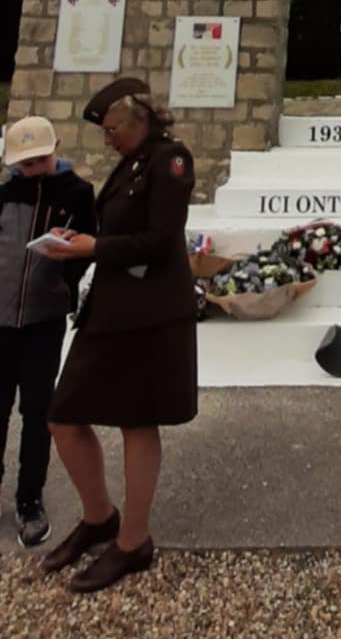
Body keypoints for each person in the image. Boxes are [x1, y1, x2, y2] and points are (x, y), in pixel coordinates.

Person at [42, 76, 197, 593]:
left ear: (140, 119)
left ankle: (133, 542)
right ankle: (99, 517)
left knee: (137, 421)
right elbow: (117, 229)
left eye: (113, 130)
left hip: (151, 313)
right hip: (110, 309)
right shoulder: (132, 163)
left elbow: (160, 241)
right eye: (104, 132)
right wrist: (82, 239)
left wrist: (92, 248)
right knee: (63, 416)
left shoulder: (170, 161)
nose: (107, 140)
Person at [0, 116, 95, 547]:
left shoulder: (77, 194)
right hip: (1, 322)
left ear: (55, 149)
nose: (33, 169)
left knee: (37, 413)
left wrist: (67, 259)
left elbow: (89, 249)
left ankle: (29, 500)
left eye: (40, 160)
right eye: (25, 163)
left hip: (44, 321)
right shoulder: (5, 194)